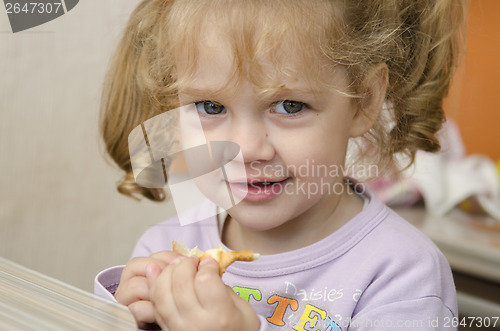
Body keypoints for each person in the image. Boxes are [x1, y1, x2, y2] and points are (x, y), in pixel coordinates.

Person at [95, 0, 467, 330]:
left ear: (364, 101)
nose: (245, 149)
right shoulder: (162, 249)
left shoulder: (402, 276)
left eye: (289, 106)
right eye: (211, 107)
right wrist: (124, 317)